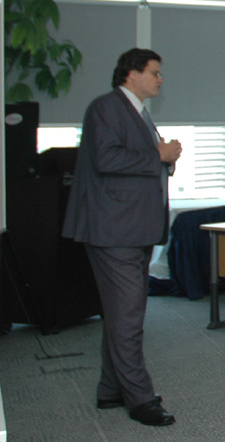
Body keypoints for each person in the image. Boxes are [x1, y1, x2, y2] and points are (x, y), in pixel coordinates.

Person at [62, 48, 181, 427]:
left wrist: (166, 159)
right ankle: (140, 398)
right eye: (155, 72)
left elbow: (140, 161)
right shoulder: (106, 108)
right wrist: (158, 155)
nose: (160, 79)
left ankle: (111, 388)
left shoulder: (138, 112)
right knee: (129, 317)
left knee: (120, 314)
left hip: (133, 228)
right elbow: (106, 159)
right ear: (131, 74)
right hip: (114, 230)